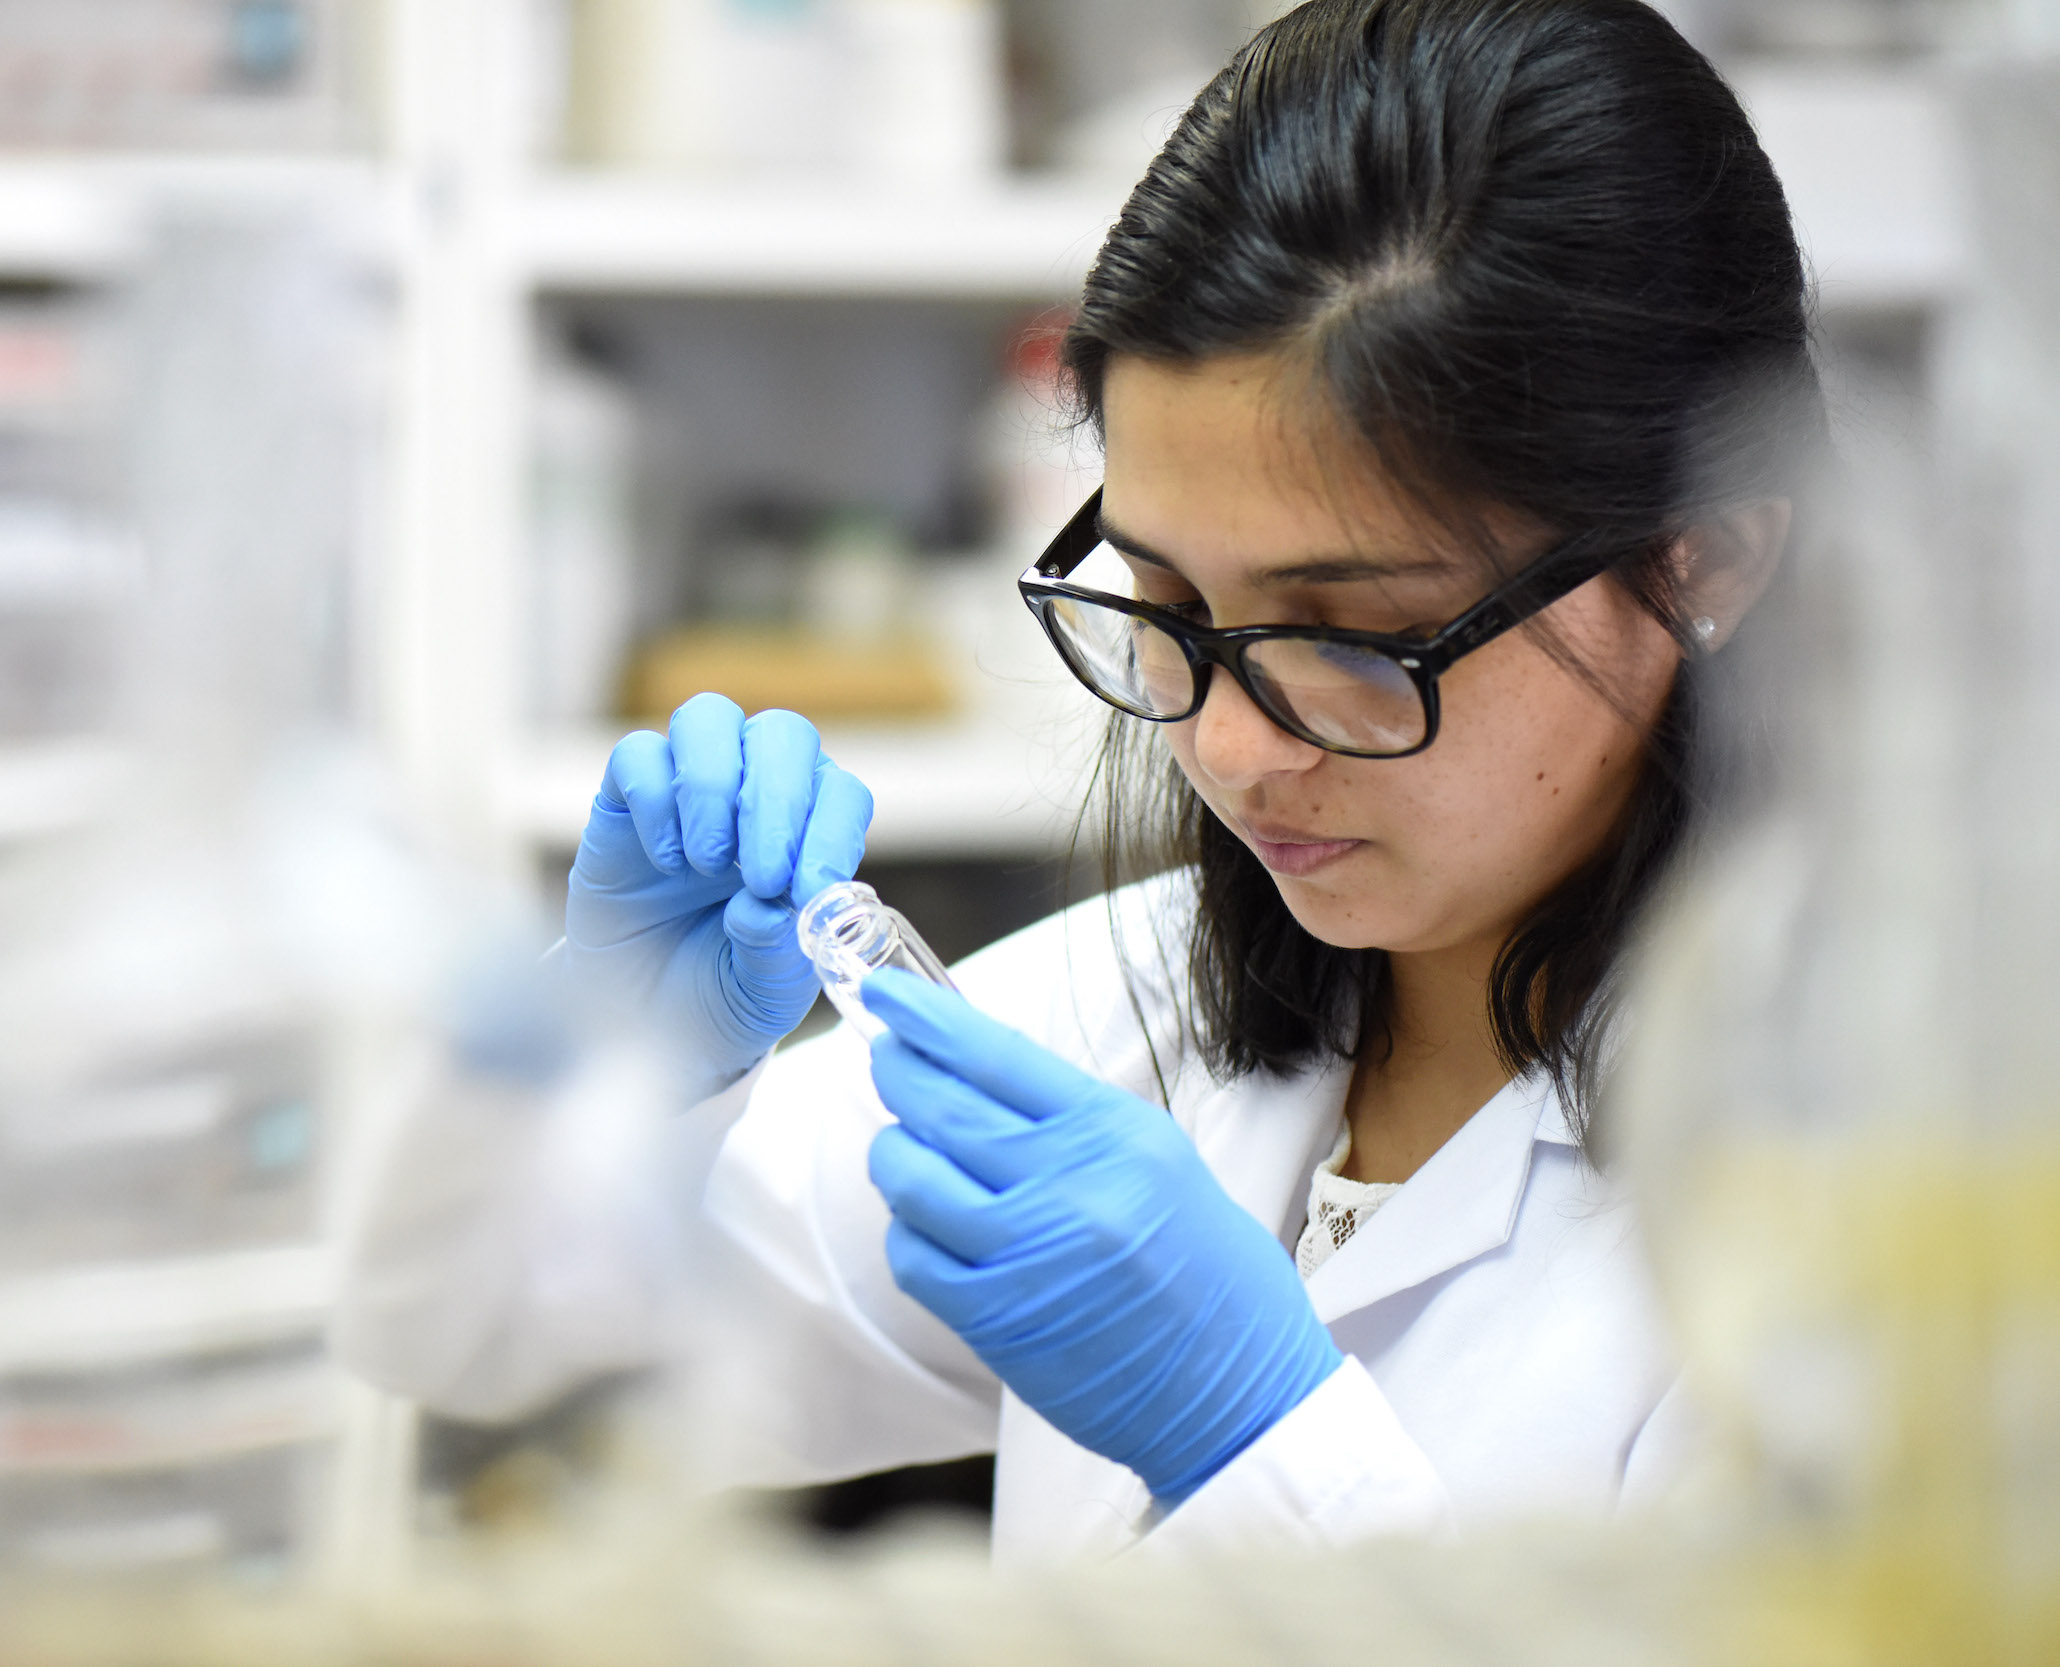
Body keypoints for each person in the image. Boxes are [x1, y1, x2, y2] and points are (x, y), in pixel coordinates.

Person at [340, 0, 1822, 1563]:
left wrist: (1257, 1441)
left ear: (1699, 561)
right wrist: (610, 1073)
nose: (1234, 750)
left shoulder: (1900, 1176)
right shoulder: (1140, 1011)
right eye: (1169, 605)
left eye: (1362, 634)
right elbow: (479, 1344)